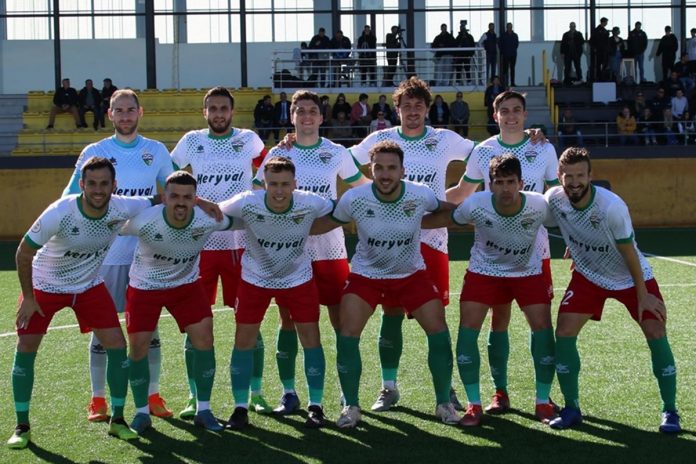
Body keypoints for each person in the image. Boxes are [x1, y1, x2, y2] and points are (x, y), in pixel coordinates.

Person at [6, 157, 154, 449]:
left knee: (116, 344)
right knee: (26, 347)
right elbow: (23, 253)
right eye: (92, 184)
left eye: (104, 184)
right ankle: (22, 426)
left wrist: (199, 203)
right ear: (82, 185)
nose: (98, 190)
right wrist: (29, 297)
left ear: (114, 185)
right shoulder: (60, 211)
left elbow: (161, 197)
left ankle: (118, 420)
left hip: (88, 286)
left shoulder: (122, 206)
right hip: (45, 286)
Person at [311, 141, 459, 428]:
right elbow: (327, 222)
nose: (385, 174)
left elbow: (449, 211)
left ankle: (443, 403)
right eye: (379, 168)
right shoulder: (355, 198)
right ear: (371, 169)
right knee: (347, 332)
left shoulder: (419, 195)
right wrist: (288, 228)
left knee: (439, 331)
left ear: (403, 170)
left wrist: (481, 218)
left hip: (411, 274)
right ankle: (351, 407)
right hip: (367, 276)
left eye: (392, 168)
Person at [348, 78, 475, 413]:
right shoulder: (381, 139)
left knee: (435, 317)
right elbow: (341, 161)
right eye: (407, 106)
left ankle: (444, 388)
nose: (413, 111)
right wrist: (370, 196)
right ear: (397, 109)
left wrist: (458, 197)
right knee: (391, 313)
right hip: (388, 240)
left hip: (431, 238)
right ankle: (389, 387)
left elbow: (484, 155)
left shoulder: (443, 139)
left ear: (427, 109)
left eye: (419, 105)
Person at [545, 147, 681, 434]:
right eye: (568, 176)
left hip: (631, 277)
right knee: (564, 331)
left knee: (656, 331)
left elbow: (629, 252)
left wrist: (643, 295)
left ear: (590, 176)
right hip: (588, 275)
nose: (574, 182)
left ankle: (670, 410)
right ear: (559, 176)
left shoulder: (611, 207)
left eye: (580, 175)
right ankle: (572, 408)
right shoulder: (554, 200)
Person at [63, 89, 175, 423]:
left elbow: (170, 194)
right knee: (104, 330)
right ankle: (98, 399)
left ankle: (152, 394)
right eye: (118, 110)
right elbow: (69, 196)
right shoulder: (95, 151)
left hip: (146, 255)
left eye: (130, 110)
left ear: (140, 112)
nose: (125, 116)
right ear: (110, 114)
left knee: (148, 330)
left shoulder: (155, 150)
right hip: (106, 257)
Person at [254, 91, 367, 414]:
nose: (306, 116)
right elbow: (256, 191)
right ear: (292, 116)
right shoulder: (279, 153)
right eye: (300, 110)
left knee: (340, 322)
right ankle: (289, 393)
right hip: (289, 251)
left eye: (312, 111)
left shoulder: (336, 152)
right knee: (288, 320)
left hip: (329, 249)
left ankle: (347, 393)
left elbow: (363, 188)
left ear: (321, 117)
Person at [447, 90, 559, 417]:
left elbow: (556, 194)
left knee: (539, 323)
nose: (510, 116)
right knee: (499, 321)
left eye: (516, 110)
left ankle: (543, 397)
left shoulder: (543, 147)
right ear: (494, 116)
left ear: (525, 115)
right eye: (504, 110)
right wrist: (421, 203)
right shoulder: (483, 151)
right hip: (491, 254)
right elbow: (463, 192)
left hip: (535, 253)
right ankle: (500, 393)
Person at [424, 154, 557, 427]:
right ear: (489, 184)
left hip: (527, 273)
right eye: (499, 182)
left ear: (521, 182)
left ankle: (542, 401)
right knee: (467, 331)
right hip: (484, 273)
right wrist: (408, 223)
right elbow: (447, 218)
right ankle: (474, 405)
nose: (505, 189)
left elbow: (571, 221)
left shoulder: (539, 205)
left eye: (510, 182)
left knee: (543, 329)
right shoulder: (476, 203)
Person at [170, 86, 269, 418]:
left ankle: (256, 393)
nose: (218, 113)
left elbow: (270, 167)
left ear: (232, 110)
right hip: (200, 246)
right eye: (212, 108)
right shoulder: (192, 141)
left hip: (243, 244)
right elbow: (168, 176)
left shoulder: (249, 140)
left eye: (223, 108)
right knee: (193, 322)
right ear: (204, 112)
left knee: (250, 322)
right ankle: (192, 395)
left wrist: (252, 195)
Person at [221, 156, 335, 430]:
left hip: (298, 278)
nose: (280, 190)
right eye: (273, 184)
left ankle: (316, 406)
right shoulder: (247, 200)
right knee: (243, 340)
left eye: (285, 184)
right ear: (264, 184)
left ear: (295, 184)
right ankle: (239, 408)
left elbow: (339, 211)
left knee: (311, 339)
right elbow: (215, 211)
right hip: (254, 279)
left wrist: (310, 226)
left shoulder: (311, 201)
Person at [120, 171, 229, 434]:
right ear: (164, 198)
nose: (180, 202)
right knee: (137, 348)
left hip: (186, 286)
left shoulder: (208, 219)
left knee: (204, 340)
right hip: (145, 287)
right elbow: (110, 221)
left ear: (196, 199)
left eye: (188, 197)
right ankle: (141, 413)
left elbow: (244, 218)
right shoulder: (144, 220)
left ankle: (204, 409)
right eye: (174, 196)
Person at [455, 20, 476, 85]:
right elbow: (456, 45)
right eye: (462, 27)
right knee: (458, 68)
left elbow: (472, 45)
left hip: (467, 54)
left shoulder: (469, 37)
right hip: (459, 55)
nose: (463, 29)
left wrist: (471, 54)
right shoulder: (458, 37)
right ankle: (458, 81)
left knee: (467, 68)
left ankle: (469, 81)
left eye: (463, 27)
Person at [590, 18, 609, 82]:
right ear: (603, 22)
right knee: (598, 64)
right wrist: (594, 48)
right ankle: (598, 77)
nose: (606, 23)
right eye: (606, 22)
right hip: (598, 50)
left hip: (604, 50)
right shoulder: (597, 30)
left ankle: (602, 76)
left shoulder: (605, 31)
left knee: (604, 64)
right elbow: (592, 40)